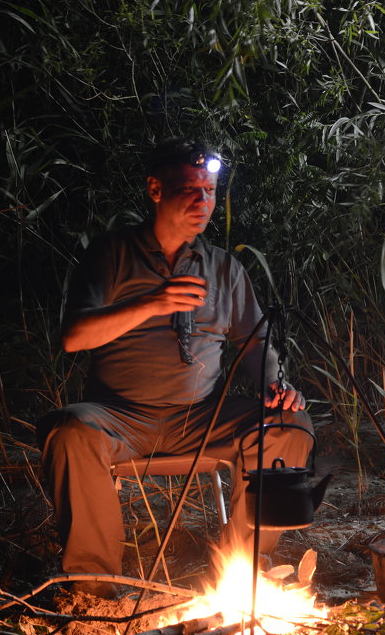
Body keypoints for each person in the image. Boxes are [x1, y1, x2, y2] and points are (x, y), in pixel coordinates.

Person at [37, 138, 313, 597]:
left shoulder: (224, 269)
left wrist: (274, 384)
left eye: (209, 191)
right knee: (68, 431)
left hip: (199, 417)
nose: (202, 202)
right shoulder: (112, 255)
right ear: (155, 189)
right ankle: (93, 588)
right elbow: (74, 337)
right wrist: (153, 302)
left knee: (290, 425)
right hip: (120, 418)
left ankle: (241, 567)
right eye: (189, 190)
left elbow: (255, 342)